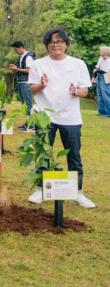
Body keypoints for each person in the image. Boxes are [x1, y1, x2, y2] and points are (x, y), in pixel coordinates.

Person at [27, 27, 95, 208]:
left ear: (66, 44)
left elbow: (84, 90)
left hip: (70, 117)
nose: (55, 45)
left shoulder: (78, 64)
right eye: (51, 42)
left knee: (74, 155)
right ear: (47, 45)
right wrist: (42, 85)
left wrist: (75, 91)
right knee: (43, 154)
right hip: (44, 116)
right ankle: (41, 190)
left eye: (59, 42)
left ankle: (77, 193)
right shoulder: (38, 64)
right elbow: (32, 89)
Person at [9, 41, 37, 132]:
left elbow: (29, 70)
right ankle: (27, 123)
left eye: (16, 49)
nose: (15, 51)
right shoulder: (21, 57)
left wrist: (17, 69)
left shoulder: (28, 56)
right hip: (21, 82)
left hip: (26, 82)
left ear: (21, 48)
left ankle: (32, 125)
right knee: (24, 105)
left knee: (28, 104)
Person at [93, 46, 110, 117]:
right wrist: (93, 76)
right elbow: (97, 67)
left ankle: (108, 113)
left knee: (105, 95)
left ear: (104, 52)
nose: (99, 52)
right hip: (99, 76)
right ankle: (101, 112)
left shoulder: (109, 60)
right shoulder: (101, 59)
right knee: (99, 95)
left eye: (100, 51)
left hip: (105, 77)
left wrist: (96, 70)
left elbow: (104, 70)